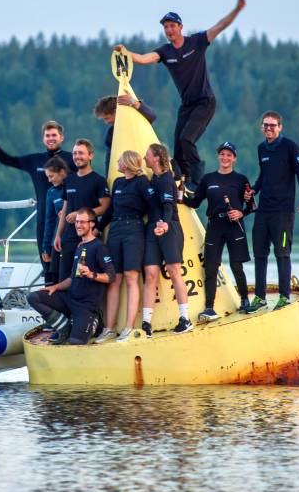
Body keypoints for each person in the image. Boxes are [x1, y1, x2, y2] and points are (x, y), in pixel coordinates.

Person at [113, 0, 246, 191]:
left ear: (180, 27)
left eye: (172, 26)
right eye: (165, 27)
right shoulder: (165, 51)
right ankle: (182, 178)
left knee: (187, 139)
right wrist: (125, 52)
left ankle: (197, 178)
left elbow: (219, 26)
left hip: (205, 102)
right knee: (177, 146)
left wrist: (236, 10)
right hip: (187, 104)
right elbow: (142, 59)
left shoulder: (196, 42)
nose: (168, 30)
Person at [0, 121, 74, 268]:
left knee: (65, 266)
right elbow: (8, 160)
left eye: (54, 135)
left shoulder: (72, 159)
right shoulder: (34, 160)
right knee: (47, 264)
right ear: (43, 139)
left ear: (61, 137)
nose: (51, 138)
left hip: (67, 219)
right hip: (43, 219)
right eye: (47, 135)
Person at [184, 141, 256, 321]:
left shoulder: (241, 179)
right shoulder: (208, 179)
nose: (225, 158)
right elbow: (194, 202)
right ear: (218, 156)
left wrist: (241, 212)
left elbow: (251, 206)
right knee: (211, 266)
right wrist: (179, 197)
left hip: (234, 226)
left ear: (234, 158)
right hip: (215, 225)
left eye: (229, 155)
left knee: (236, 265)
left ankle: (245, 300)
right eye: (222, 154)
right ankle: (209, 308)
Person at [246, 111, 299, 312]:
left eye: (272, 125)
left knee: (282, 254)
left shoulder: (290, 147)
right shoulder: (261, 149)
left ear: (280, 127)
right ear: (261, 127)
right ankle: (260, 298)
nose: (268, 128)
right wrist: (253, 191)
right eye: (265, 125)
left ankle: (284, 296)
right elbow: (263, 176)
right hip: (263, 211)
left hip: (283, 212)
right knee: (259, 254)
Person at [27, 208, 115, 345]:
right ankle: (64, 326)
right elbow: (71, 279)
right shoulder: (80, 247)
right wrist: (55, 287)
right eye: (77, 222)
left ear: (92, 224)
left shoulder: (99, 247)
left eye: (82, 222)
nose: (78, 225)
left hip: (85, 306)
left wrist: (92, 274)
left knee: (75, 342)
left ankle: (94, 322)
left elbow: (111, 276)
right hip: (69, 299)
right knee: (33, 297)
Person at [93, 150, 150, 343]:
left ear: (126, 163)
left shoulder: (141, 182)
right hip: (115, 229)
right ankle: (109, 328)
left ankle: (128, 327)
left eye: (119, 159)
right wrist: (98, 228)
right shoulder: (117, 183)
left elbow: (152, 205)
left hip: (134, 229)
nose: (117, 161)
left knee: (131, 277)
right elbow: (110, 211)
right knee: (113, 279)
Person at [141, 142, 193, 336]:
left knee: (174, 270)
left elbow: (169, 206)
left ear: (156, 158)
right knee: (151, 273)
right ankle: (146, 323)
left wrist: (164, 224)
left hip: (169, 227)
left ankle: (185, 319)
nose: (144, 157)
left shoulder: (165, 179)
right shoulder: (153, 178)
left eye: (147, 155)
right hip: (153, 228)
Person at [54, 139, 111, 282]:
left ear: (90, 156)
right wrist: (58, 235)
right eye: (74, 153)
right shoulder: (69, 179)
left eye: (81, 153)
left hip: (88, 238)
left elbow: (105, 207)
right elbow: (65, 209)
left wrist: (80, 215)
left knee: (83, 280)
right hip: (68, 238)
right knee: (64, 279)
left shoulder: (98, 180)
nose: (77, 156)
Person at [93, 95, 157, 176]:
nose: (106, 122)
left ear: (116, 112)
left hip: (143, 171)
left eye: (107, 118)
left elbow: (152, 116)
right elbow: (109, 159)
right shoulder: (111, 132)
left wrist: (135, 103)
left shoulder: (135, 123)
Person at [40, 157, 69, 285]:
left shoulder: (74, 184)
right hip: (57, 240)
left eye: (51, 176)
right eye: (47, 177)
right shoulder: (51, 192)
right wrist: (46, 247)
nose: (49, 180)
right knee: (55, 277)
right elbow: (49, 221)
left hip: (74, 237)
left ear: (62, 172)